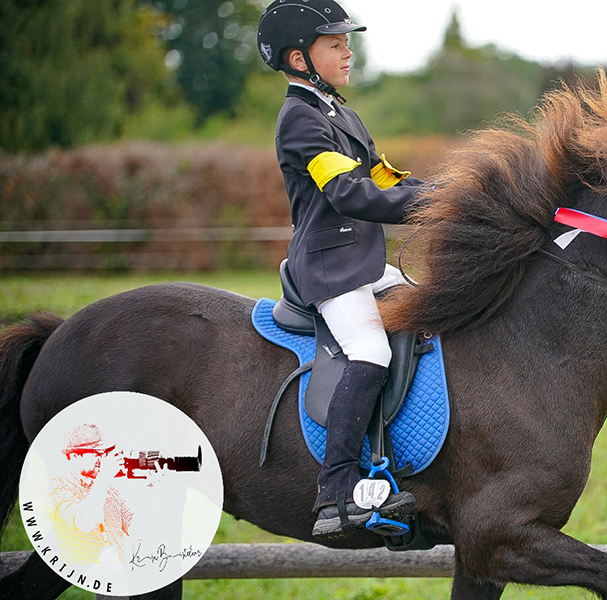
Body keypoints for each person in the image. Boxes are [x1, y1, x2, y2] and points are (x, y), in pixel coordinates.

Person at [256, 0, 419, 538]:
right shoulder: (299, 120)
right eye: (335, 44)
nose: (349, 51)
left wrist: (450, 194)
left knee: (428, 309)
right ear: (299, 58)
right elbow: (349, 193)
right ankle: (337, 491)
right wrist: (429, 206)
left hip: (364, 261)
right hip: (329, 268)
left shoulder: (343, 113)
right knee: (370, 348)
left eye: (347, 42)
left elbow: (385, 179)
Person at [46, 424, 132, 564]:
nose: (101, 459)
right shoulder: (59, 489)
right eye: (95, 453)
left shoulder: (100, 483)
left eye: (103, 453)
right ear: (73, 456)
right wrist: (104, 477)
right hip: (80, 567)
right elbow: (84, 524)